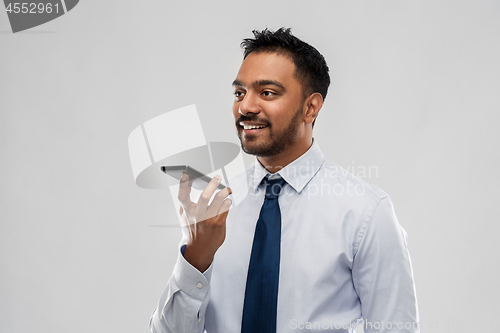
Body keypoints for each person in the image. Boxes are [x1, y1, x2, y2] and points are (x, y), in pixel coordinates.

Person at [150, 28, 419, 333]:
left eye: (267, 93)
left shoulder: (366, 213)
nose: (246, 107)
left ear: (310, 107)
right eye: (240, 93)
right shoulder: (214, 210)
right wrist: (196, 257)